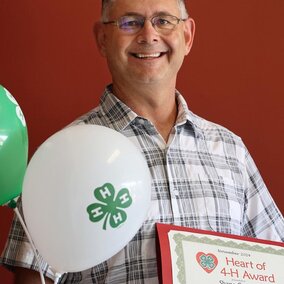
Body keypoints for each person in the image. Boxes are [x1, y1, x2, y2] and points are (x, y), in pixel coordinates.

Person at [1, 0, 284, 283]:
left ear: (187, 36)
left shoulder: (230, 150)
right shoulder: (61, 157)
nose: (149, 35)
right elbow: (33, 278)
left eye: (163, 21)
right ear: (102, 38)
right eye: (130, 22)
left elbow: (275, 265)